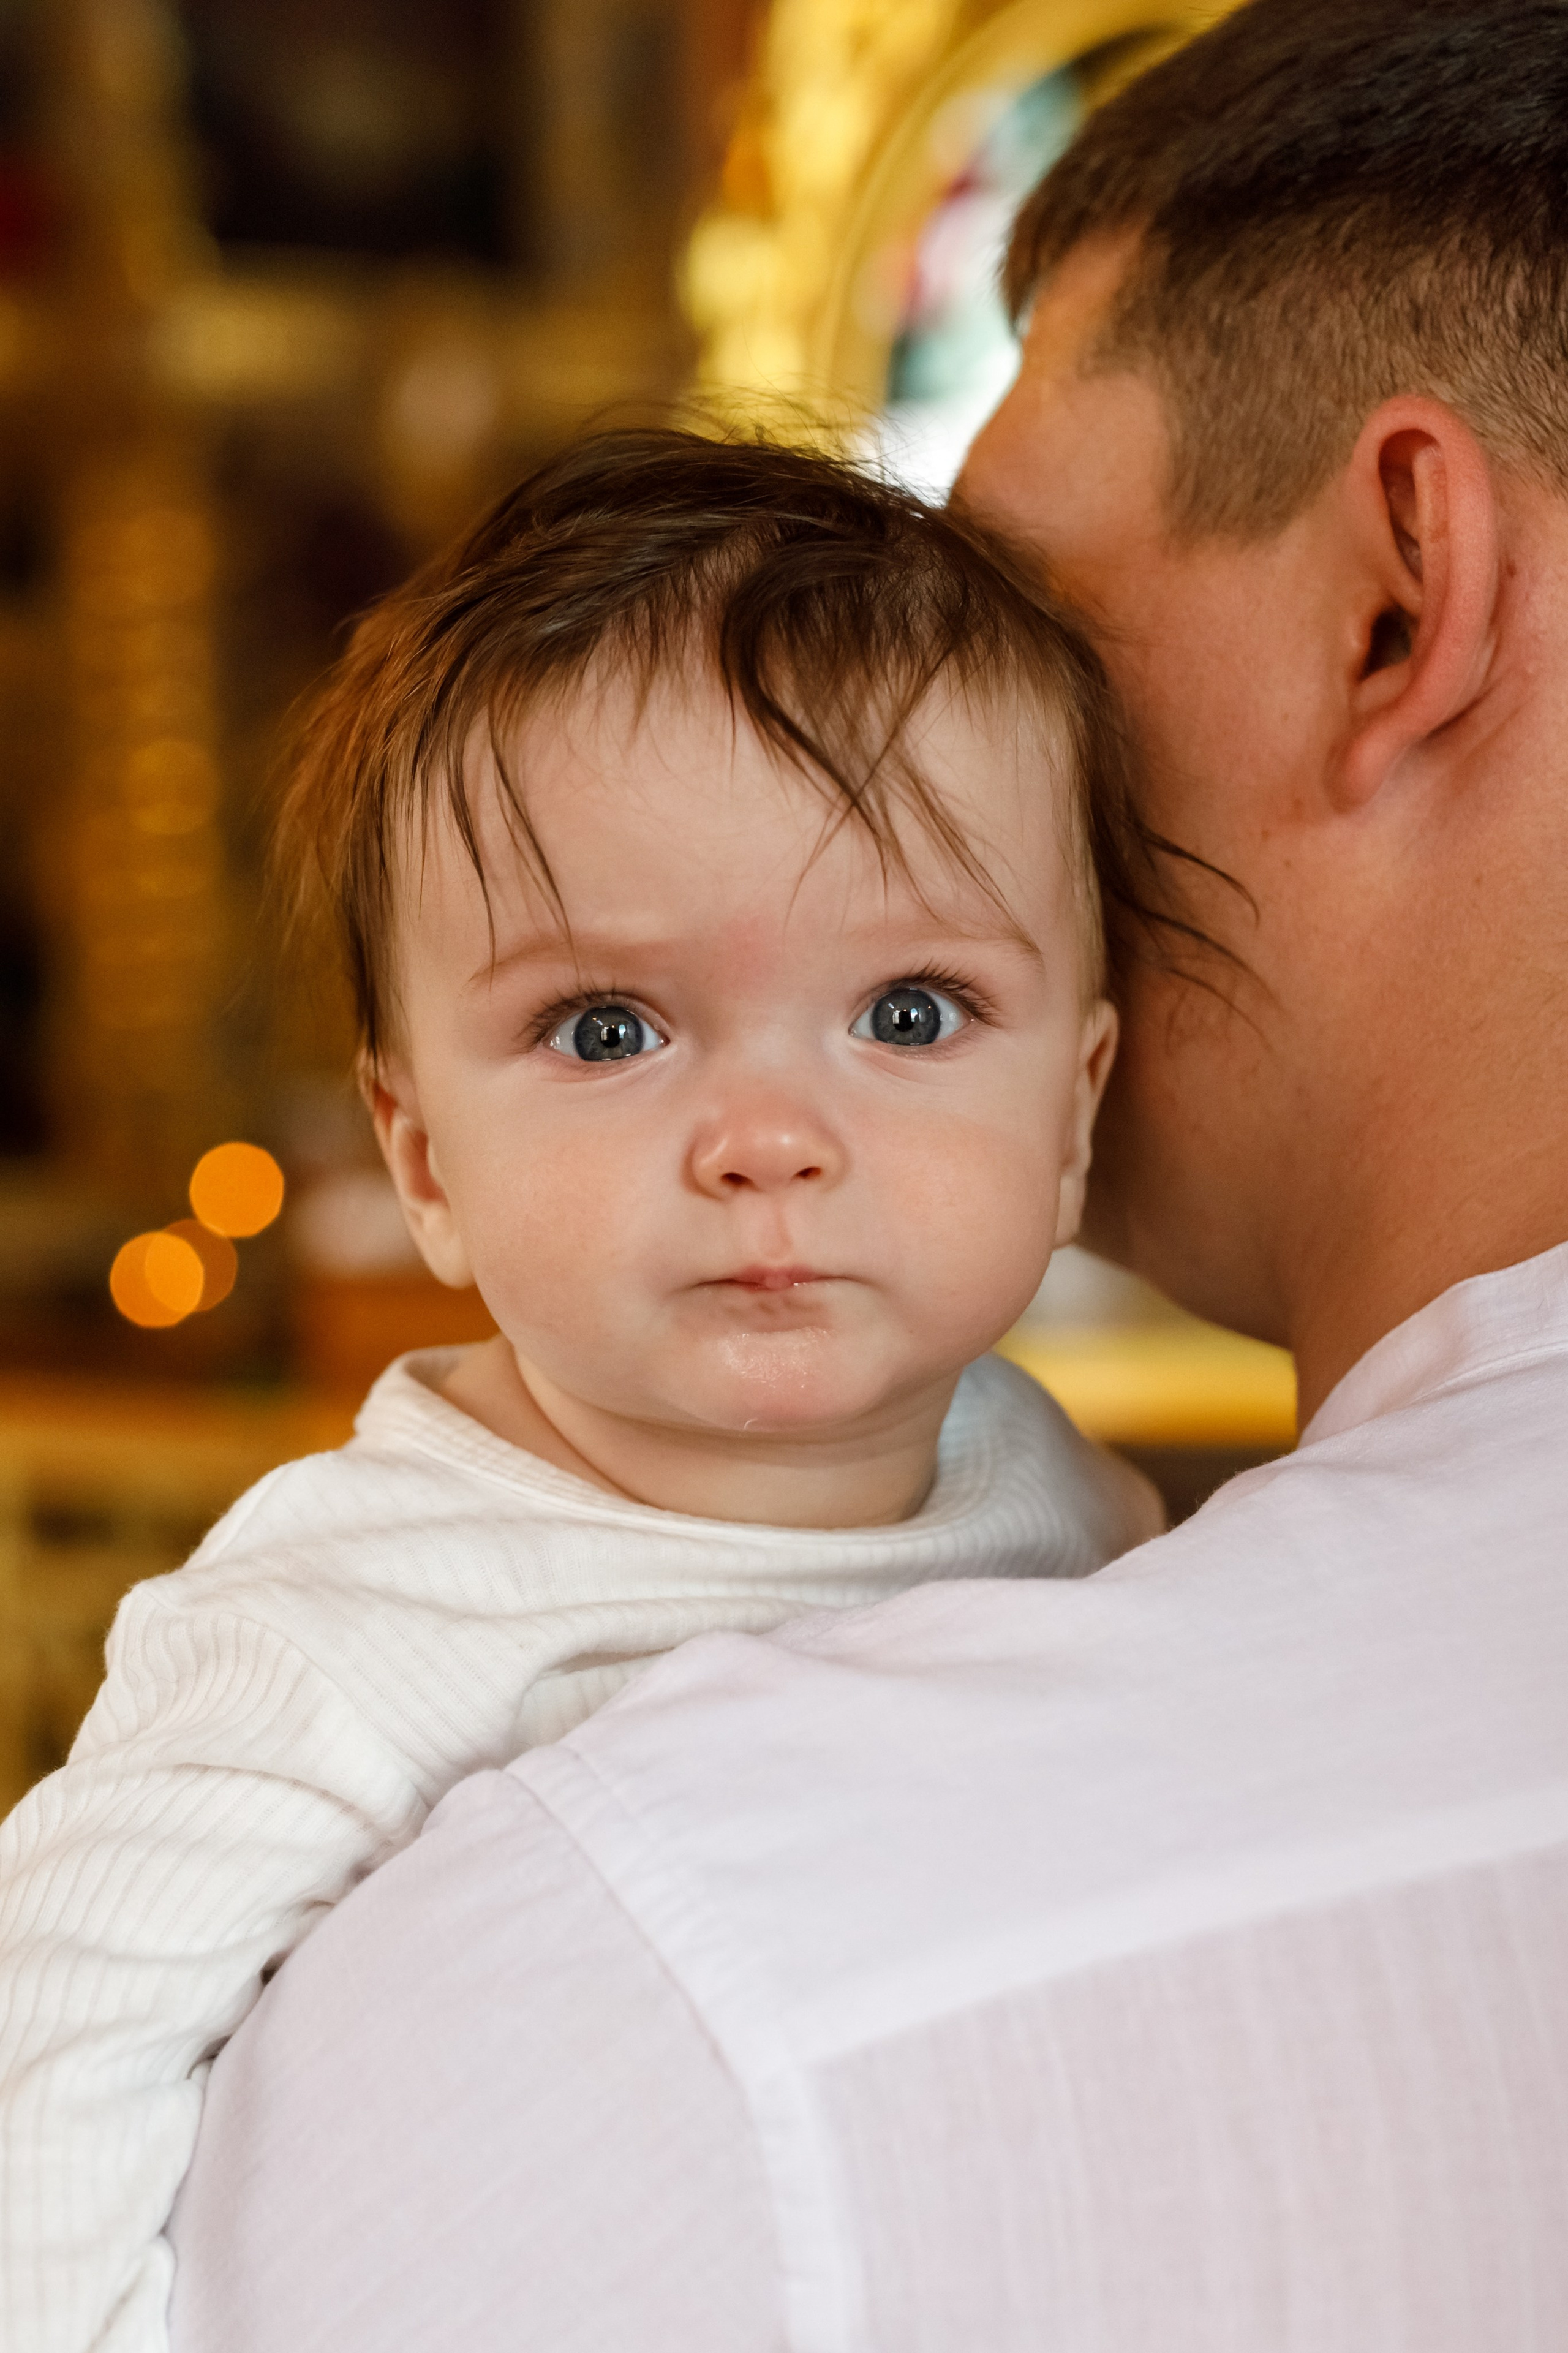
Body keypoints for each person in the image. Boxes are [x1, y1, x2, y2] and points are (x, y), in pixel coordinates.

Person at [166, 1, 1568, 2347]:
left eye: (1022, 623)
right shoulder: (357, 1671)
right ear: (416, 1139)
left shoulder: (647, 1979)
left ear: (1397, 600)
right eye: (603, 1024)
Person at [0, 436, 1163, 2353]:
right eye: (607, 1028)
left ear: (1075, 1109)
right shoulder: (339, 1625)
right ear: (424, 1159)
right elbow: (46, 2065)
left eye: (909, 1012)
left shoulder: (1078, 1501)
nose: (768, 1137)